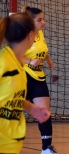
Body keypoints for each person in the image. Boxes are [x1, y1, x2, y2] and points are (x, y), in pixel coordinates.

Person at [0, 13, 50, 154]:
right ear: (30, 35)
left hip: (11, 143)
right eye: (36, 34)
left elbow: (10, 96)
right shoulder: (3, 62)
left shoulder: (18, 63)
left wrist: (31, 107)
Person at [22, 6, 58, 154]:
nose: (43, 22)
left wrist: (48, 59)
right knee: (12, 112)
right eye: (40, 20)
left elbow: (42, 50)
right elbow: (13, 54)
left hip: (38, 77)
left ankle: (46, 148)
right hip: (22, 76)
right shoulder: (23, 35)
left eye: (43, 19)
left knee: (44, 112)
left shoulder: (40, 33)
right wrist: (29, 61)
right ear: (31, 22)